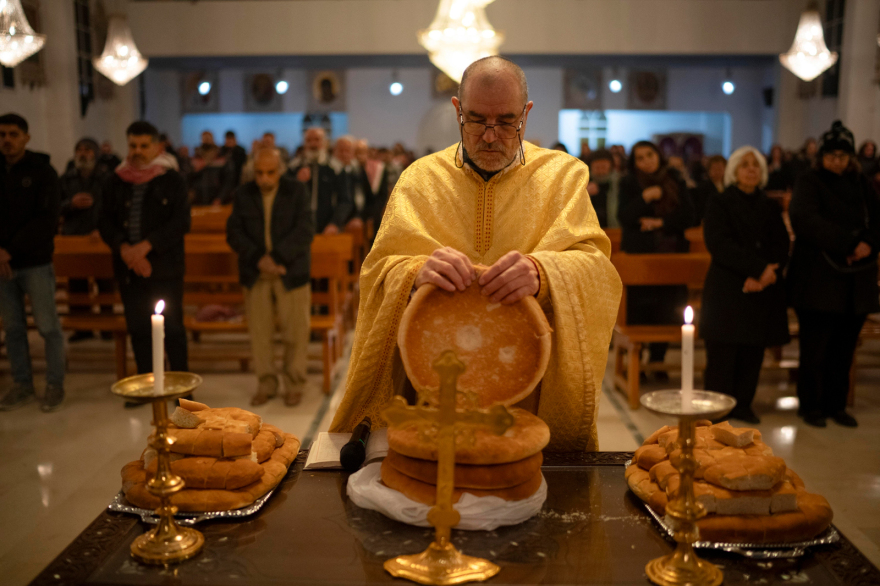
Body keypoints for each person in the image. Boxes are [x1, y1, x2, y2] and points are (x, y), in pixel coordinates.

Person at [329, 56, 622, 452]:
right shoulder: (420, 179)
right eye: (476, 119)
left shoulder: (563, 177)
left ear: (527, 113)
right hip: (434, 382)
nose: (489, 135)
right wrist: (415, 271)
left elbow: (597, 270)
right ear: (457, 110)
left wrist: (544, 271)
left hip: (528, 386)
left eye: (505, 121)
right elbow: (379, 268)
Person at [788, 121, 880, 428]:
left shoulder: (862, 183)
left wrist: (868, 243)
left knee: (844, 349)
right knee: (815, 349)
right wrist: (850, 243)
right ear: (822, 156)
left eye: (843, 155)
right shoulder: (809, 180)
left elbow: (876, 220)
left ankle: (836, 404)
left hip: (856, 281)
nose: (837, 161)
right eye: (832, 155)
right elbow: (806, 220)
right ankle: (811, 405)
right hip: (818, 280)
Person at [99, 121, 191, 405]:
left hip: (165, 267)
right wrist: (125, 249)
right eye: (133, 146)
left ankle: (181, 388)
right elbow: (104, 221)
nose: (137, 152)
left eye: (143, 146)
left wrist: (147, 247)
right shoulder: (115, 180)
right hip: (129, 268)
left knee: (172, 329)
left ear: (157, 147)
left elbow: (180, 222)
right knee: (138, 327)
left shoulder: (171, 179)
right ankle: (145, 384)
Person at [700, 147, 791, 424]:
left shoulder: (769, 205)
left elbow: (782, 243)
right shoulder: (721, 202)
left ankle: (743, 404)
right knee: (723, 352)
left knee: (753, 350)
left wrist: (768, 273)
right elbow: (719, 243)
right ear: (734, 171)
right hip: (728, 286)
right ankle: (716, 408)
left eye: (756, 165)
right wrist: (757, 269)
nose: (751, 169)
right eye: (745, 165)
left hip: (761, 288)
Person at [227, 149, 314, 407]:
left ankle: (294, 384)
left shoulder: (296, 191)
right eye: (259, 173)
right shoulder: (243, 194)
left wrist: (276, 258)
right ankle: (266, 383)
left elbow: (305, 230)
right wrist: (259, 259)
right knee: (260, 334)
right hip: (256, 273)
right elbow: (234, 233)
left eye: (270, 172)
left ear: (280, 170)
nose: (264, 178)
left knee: (295, 332)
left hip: (290, 271)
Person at [0, 113, 65, 412]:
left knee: (47, 325)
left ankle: (54, 384)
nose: (7, 140)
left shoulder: (42, 171)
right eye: (2, 134)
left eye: (13, 134)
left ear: (26, 137)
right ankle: (23, 384)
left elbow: (46, 219)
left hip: (34, 261)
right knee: (12, 328)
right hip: (1, 264)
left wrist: (9, 250)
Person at [617, 140, 695, 380]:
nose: (646, 161)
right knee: (641, 309)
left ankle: (658, 361)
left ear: (658, 155)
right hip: (642, 259)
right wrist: (645, 197)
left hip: (672, 257)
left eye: (649, 155)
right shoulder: (629, 182)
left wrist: (661, 223)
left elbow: (690, 215)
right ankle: (637, 364)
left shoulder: (674, 180)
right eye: (639, 158)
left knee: (668, 309)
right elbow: (624, 217)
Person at [60, 137, 113, 342]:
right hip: (74, 236)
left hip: (99, 236)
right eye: (79, 149)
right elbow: (54, 206)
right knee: (77, 283)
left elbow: (112, 207)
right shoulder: (66, 179)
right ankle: (83, 327)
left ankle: (107, 326)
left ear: (96, 153)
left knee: (105, 281)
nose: (83, 153)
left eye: (88, 150)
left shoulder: (107, 178)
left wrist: (103, 229)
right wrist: (70, 203)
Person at [288, 127, 351, 234]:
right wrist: (296, 181)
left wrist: (335, 223)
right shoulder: (294, 167)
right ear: (304, 143)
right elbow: (284, 197)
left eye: (317, 140)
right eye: (309, 140)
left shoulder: (336, 168)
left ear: (324, 142)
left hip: (327, 228)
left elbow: (345, 201)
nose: (313, 144)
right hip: (298, 228)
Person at [585, 149, 620, 228]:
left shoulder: (619, 183)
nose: (600, 171)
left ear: (611, 167)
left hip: (614, 231)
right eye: (597, 168)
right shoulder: (584, 182)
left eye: (604, 167)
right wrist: (584, 193)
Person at [691, 154, 726, 225]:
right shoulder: (702, 188)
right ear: (709, 170)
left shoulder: (730, 187)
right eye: (714, 169)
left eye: (720, 168)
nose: (717, 172)